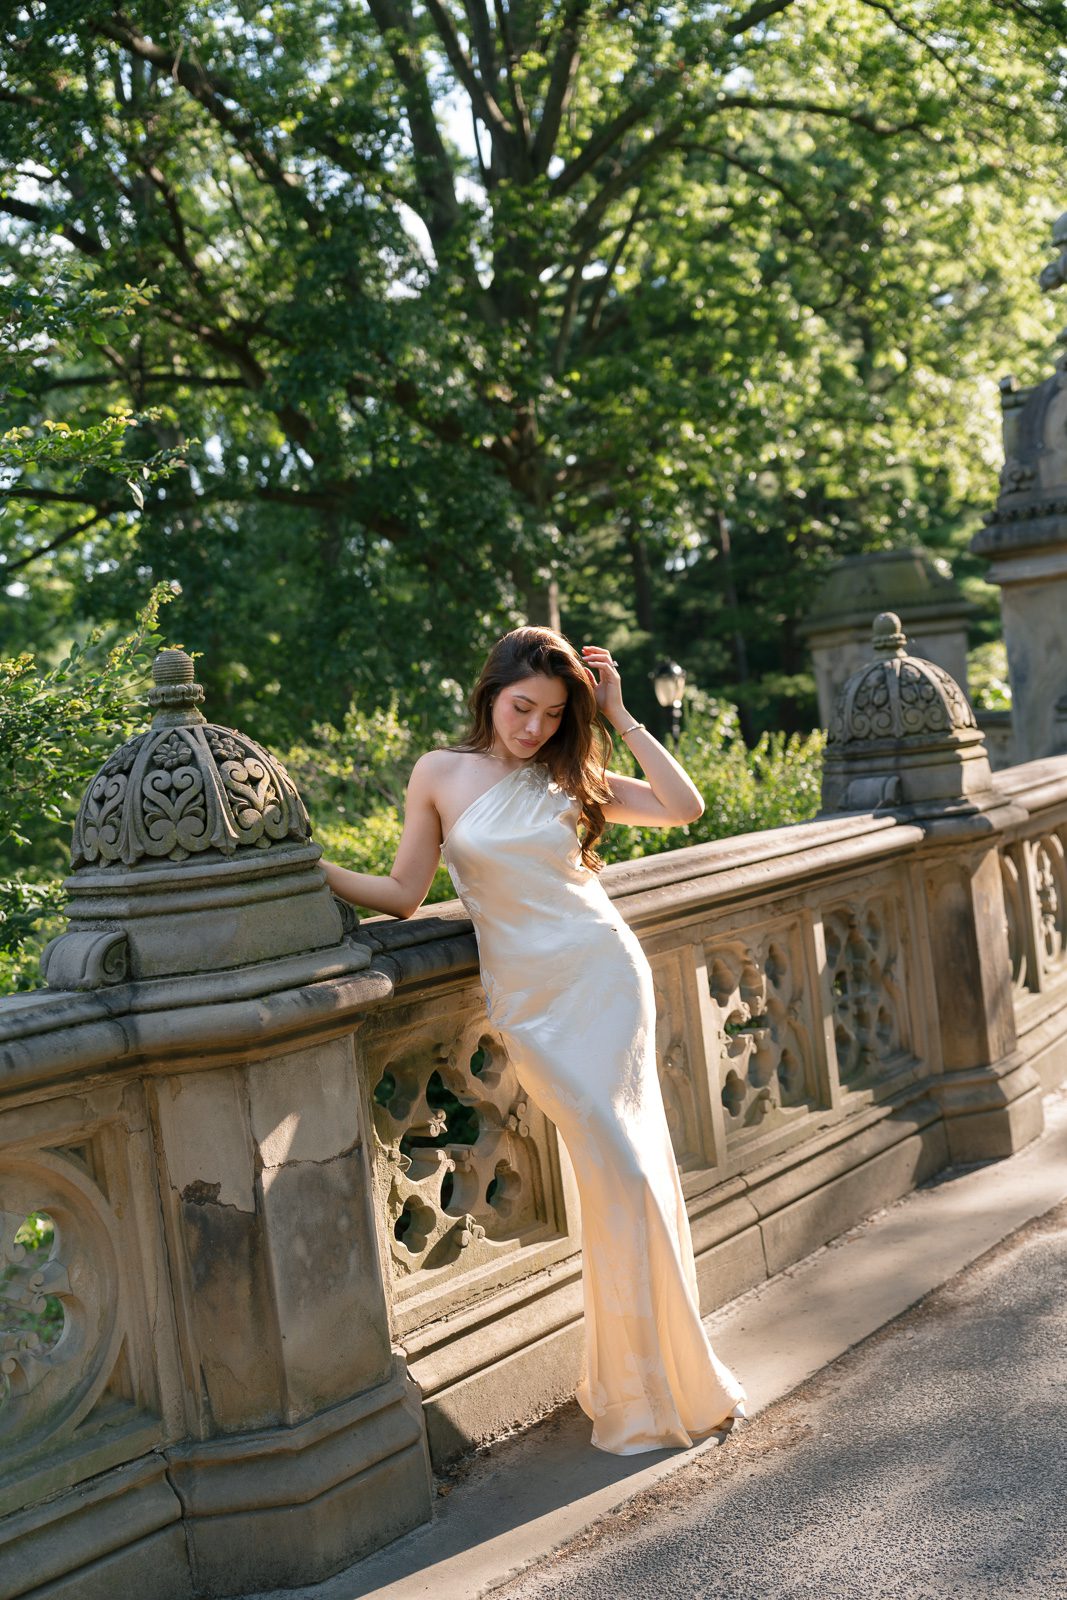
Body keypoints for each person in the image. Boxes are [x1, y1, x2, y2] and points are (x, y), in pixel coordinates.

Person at [321, 626, 747, 1455]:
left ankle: (667, 1379)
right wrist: (307, 869)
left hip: (602, 978)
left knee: (629, 1169)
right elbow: (404, 893)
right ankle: (645, 1381)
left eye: (552, 715)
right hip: (531, 999)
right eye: (522, 708)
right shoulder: (439, 773)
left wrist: (618, 714)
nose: (533, 729)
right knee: (616, 1172)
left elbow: (682, 807)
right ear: (489, 696)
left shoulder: (567, 770)